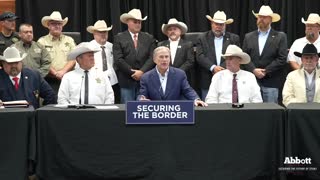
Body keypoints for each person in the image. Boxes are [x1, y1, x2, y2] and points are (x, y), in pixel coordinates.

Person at [242, 5, 288, 103]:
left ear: (271, 19)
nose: (261, 19)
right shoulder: (248, 36)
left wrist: (266, 71)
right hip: (252, 81)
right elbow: (244, 57)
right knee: (252, 112)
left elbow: (282, 58)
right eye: (259, 17)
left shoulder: (280, 36)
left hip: (271, 81)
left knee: (271, 113)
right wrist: (253, 70)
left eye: (264, 17)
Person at [113, 8, 157, 103]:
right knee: (127, 109)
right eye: (135, 22)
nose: (138, 24)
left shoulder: (149, 38)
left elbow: (152, 57)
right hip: (126, 79)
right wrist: (132, 72)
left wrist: (142, 71)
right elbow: (118, 59)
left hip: (144, 80)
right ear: (128, 22)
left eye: (139, 22)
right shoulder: (119, 38)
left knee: (143, 109)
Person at [139, 46, 207, 107]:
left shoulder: (179, 74)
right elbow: (142, 95)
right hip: (155, 113)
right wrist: (141, 99)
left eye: (167, 57)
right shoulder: (146, 77)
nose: (164, 60)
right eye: (161, 57)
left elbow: (187, 90)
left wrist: (196, 99)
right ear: (154, 60)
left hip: (174, 113)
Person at [196, 10, 240, 100]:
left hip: (228, 77)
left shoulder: (234, 38)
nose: (218, 27)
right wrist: (213, 67)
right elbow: (200, 56)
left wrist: (221, 69)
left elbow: (236, 56)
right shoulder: (202, 38)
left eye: (221, 24)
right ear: (212, 23)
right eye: (216, 24)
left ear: (225, 25)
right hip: (207, 78)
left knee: (227, 108)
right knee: (207, 108)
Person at [38, 11, 76, 93]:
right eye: (54, 24)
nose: (57, 26)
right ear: (48, 25)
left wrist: (63, 72)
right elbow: (42, 61)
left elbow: (73, 58)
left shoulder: (69, 40)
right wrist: (55, 73)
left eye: (59, 24)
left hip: (68, 79)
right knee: (51, 104)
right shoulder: (42, 41)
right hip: (49, 80)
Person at [87, 20, 120, 103]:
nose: (103, 34)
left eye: (105, 32)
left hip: (112, 82)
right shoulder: (88, 47)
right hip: (95, 82)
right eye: (100, 32)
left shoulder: (112, 46)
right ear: (94, 33)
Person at [158, 18, 194, 86]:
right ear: (167, 32)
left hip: (183, 78)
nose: (172, 31)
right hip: (165, 79)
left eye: (175, 29)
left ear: (180, 31)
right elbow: (158, 61)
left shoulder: (188, 44)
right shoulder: (161, 45)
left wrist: (177, 73)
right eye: (170, 29)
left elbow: (190, 61)